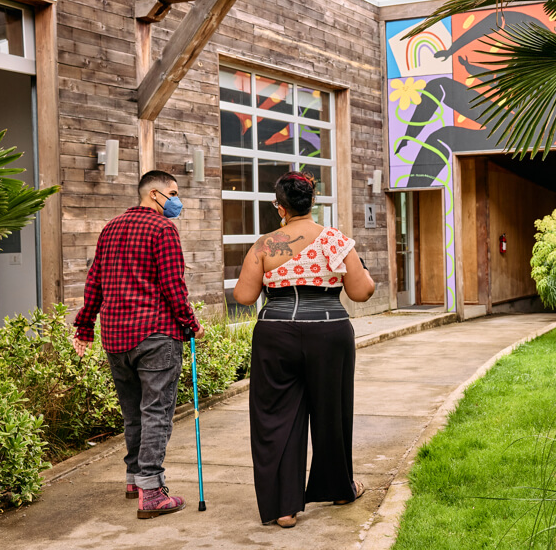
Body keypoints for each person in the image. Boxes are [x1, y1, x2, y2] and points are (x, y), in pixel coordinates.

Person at [233, 171, 375, 528]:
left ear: (278, 207)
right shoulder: (336, 241)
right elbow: (361, 292)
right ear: (313, 201)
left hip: (276, 333)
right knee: (332, 414)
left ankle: (284, 508)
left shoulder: (265, 245)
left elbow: (244, 296)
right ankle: (341, 489)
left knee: (276, 417)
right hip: (329, 332)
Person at [73, 169, 205, 520]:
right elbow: (173, 286)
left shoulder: (110, 228)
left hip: (116, 336)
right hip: (156, 334)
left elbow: (95, 281)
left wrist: (85, 326)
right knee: (156, 412)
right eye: (173, 193)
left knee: (134, 412)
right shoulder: (163, 229)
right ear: (155, 195)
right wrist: (191, 325)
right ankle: (151, 491)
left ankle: (134, 478)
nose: (177, 201)